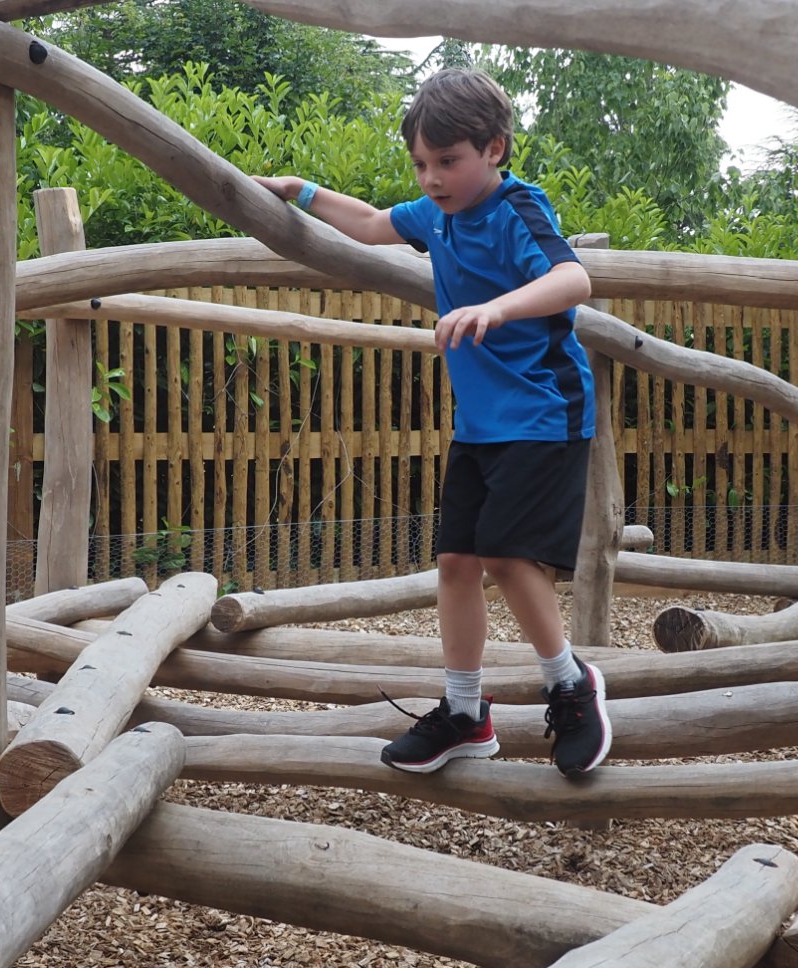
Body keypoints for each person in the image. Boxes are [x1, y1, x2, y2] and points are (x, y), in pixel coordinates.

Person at [254, 68, 612, 778]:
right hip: (480, 425)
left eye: (448, 161)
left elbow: (574, 280)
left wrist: (498, 307)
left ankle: (571, 684)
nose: (432, 178)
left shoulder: (517, 208)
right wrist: (302, 191)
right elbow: (369, 224)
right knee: (454, 563)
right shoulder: (436, 216)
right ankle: (464, 712)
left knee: (509, 557)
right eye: (422, 163)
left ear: (495, 150)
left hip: (546, 411)